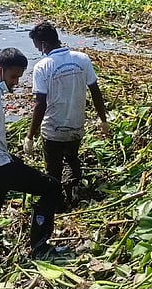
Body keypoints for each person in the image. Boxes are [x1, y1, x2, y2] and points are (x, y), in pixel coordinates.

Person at [0, 48, 62, 268]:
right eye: (13, 77)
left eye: (19, 77)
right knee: (51, 188)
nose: (16, 82)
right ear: (0, 70)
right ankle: (39, 247)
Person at [24, 21, 109, 206]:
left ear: (44, 43)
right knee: (71, 159)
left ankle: (57, 203)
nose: (39, 51)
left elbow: (40, 104)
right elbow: (95, 91)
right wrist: (103, 120)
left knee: (52, 170)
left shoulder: (42, 67)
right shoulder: (82, 59)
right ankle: (73, 193)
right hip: (76, 126)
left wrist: (30, 135)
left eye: (38, 46)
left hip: (53, 130)